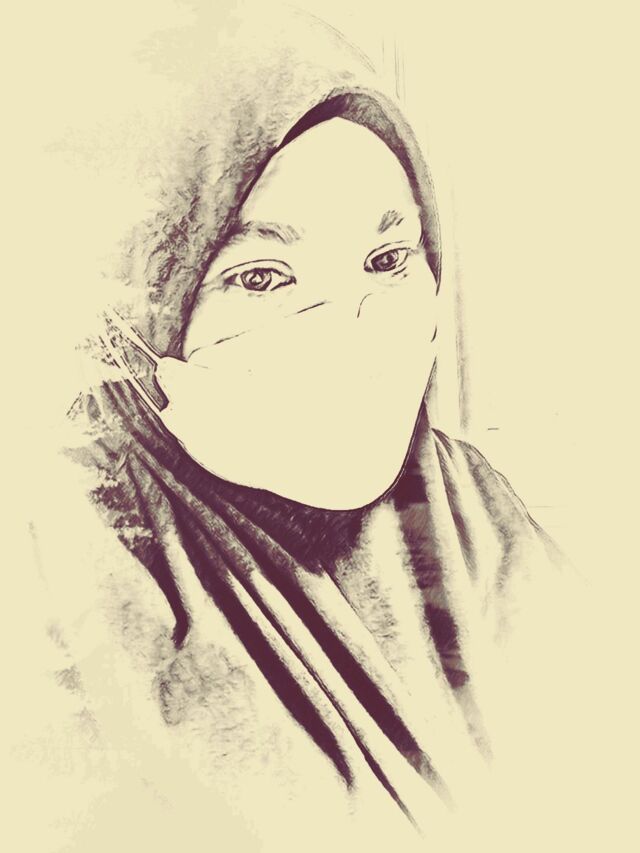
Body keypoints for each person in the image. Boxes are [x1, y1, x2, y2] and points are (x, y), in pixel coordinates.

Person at [61, 8, 566, 848]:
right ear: (145, 305)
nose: (351, 335)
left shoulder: (472, 510)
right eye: (264, 275)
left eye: (387, 260)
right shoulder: (69, 584)